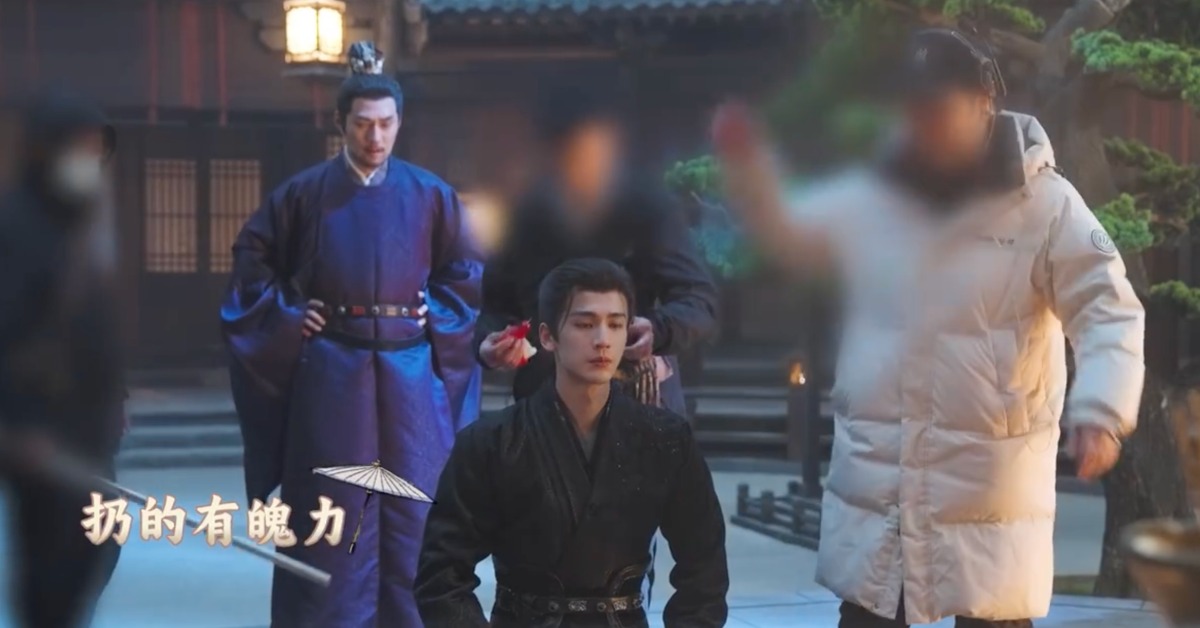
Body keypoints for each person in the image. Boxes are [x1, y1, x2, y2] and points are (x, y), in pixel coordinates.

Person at [713, 28, 1144, 627]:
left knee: (990, 611)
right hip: (878, 482)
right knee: (869, 612)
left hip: (989, 493)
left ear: (985, 103)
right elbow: (794, 235)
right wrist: (754, 176)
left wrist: (1101, 407)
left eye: (939, 107)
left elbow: (1107, 307)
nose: (924, 125)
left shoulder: (1045, 203)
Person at [220, 42, 483, 627]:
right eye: (363, 123)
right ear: (340, 122)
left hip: (410, 375)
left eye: (386, 123)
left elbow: (463, 271)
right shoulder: (305, 193)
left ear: (399, 123)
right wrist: (290, 315)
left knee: (417, 513)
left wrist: (438, 313)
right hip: (333, 373)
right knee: (331, 517)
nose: (375, 136)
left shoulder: (430, 194)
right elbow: (251, 264)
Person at [414, 258, 729, 628]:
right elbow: (442, 577)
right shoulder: (490, 442)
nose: (602, 340)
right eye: (584, 324)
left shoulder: (665, 439)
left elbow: (704, 569)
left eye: (616, 324)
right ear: (548, 337)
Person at [476, 85, 718, 416]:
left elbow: (698, 300)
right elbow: (495, 306)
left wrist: (658, 328)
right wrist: (490, 342)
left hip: (633, 389)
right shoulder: (525, 217)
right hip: (545, 395)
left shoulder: (648, 209)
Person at [0, 87, 127, 628]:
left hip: (84, 426)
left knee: (96, 540)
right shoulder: (17, 227)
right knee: (51, 568)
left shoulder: (80, 217)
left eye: (94, 151)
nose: (88, 162)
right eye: (78, 149)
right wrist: (18, 422)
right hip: (38, 429)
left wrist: (112, 399)